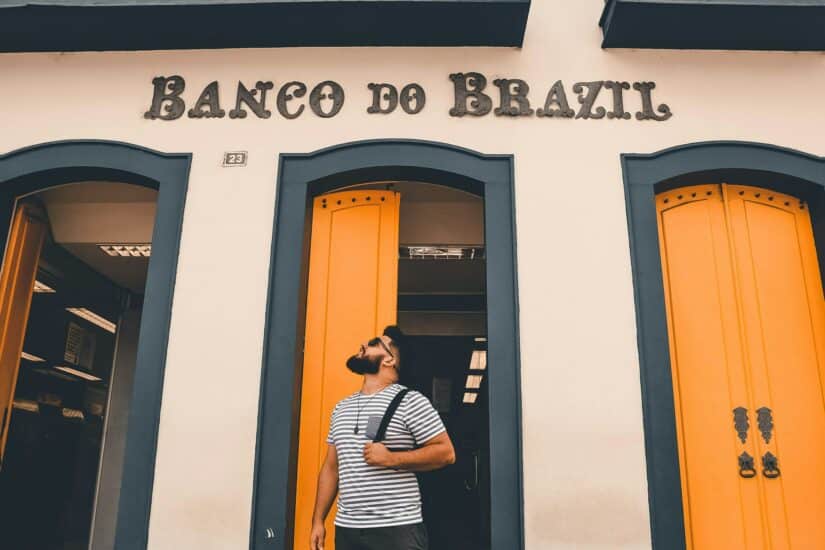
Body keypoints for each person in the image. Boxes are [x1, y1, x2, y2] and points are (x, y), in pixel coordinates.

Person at [309, 325, 456, 550]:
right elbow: (331, 468)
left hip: (396, 530)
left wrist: (390, 459)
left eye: (373, 343)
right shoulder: (341, 408)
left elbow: (446, 453)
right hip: (348, 529)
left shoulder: (411, 401)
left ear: (389, 360)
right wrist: (318, 521)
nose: (364, 345)